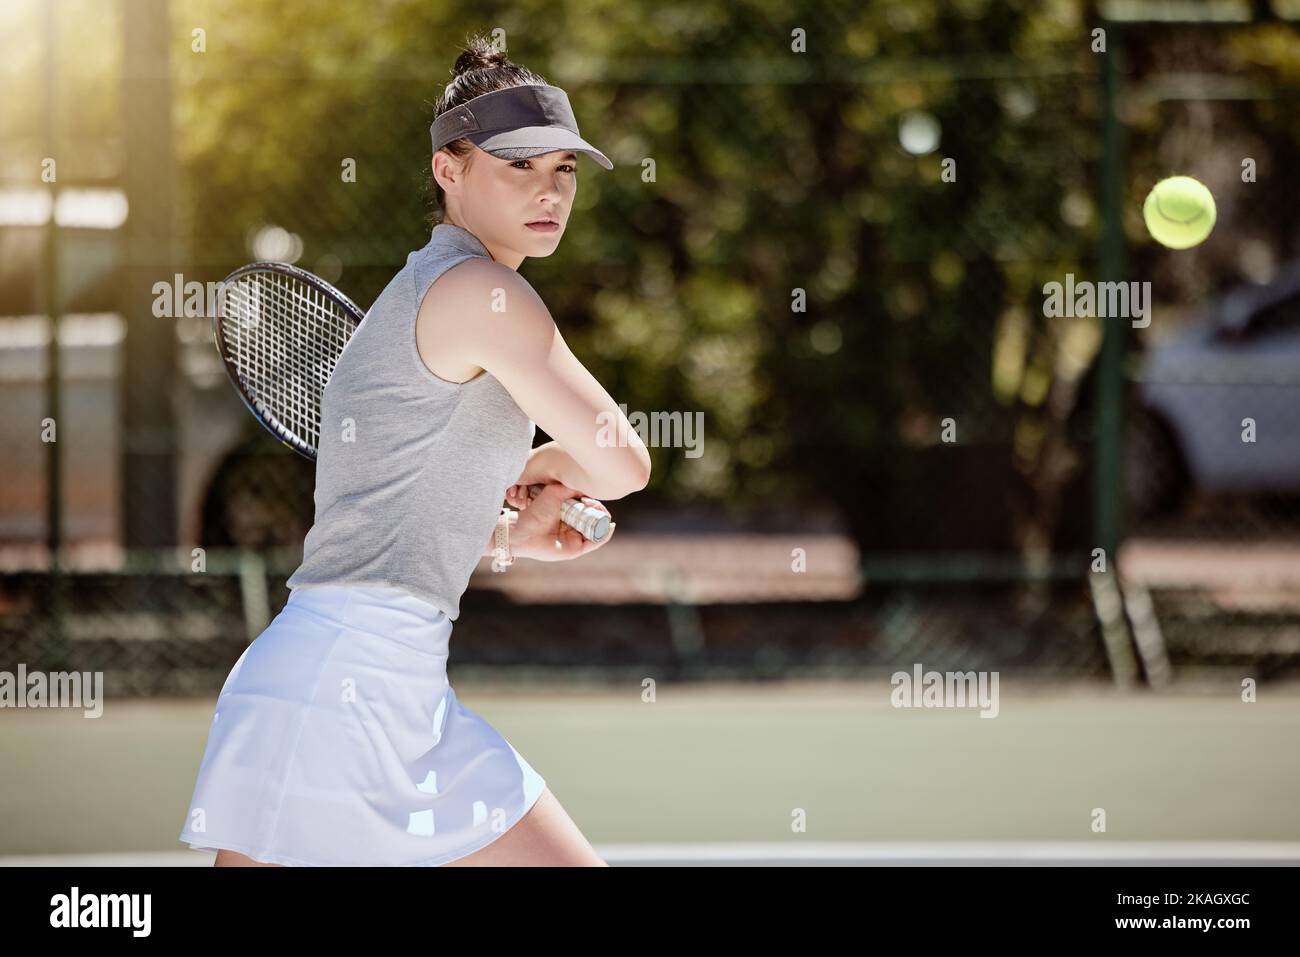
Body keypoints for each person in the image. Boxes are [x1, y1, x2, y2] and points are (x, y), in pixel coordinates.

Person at [178, 37, 650, 867]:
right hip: (338, 689)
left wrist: (505, 534)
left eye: (564, 171)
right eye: (518, 167)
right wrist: (546, 470)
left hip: (386, 687)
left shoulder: (440, 288)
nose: (548, 193)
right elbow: (623, 462)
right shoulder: (485, 293)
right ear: (448, 169)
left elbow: (401, 507)